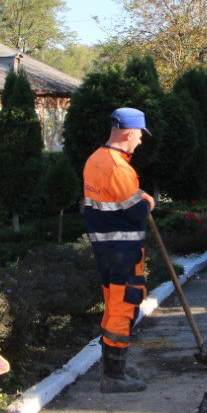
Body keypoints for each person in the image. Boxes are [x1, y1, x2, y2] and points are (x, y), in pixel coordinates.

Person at [82, 107, 156, 393]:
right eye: (139, 135)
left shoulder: (96, 160)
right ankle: (113, 375)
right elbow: (136, 211)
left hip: (107, 249)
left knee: (114, 304)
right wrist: (148, 201)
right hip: (122, 250)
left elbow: (120, 198)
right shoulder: (117, 166)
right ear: (128, 133)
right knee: (123, 307)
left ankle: (115, 367)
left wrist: (138, 198)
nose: (140, 141)